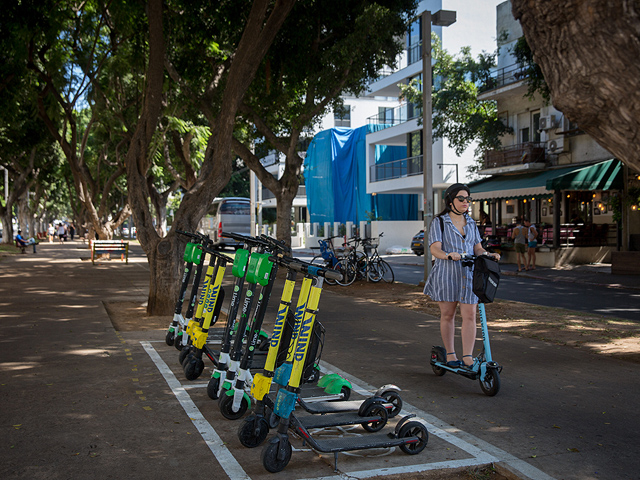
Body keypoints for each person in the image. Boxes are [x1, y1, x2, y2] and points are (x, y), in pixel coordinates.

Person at [423, 184, 501, 368]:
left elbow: (477, 247)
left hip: (469, 274)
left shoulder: (471, 223)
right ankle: (450, 355)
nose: (466, 202)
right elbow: (435, 248)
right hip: (447, 273)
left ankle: (467, 356)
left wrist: (488, 254)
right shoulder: (439, 222)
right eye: (461, 198)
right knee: (448, 314)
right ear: (450, 201)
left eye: (468, 198)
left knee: (470, 315)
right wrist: (447, 255)